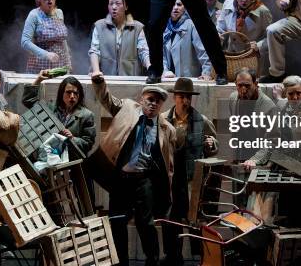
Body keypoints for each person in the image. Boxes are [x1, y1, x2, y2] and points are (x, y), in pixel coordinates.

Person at [91, 72, 175, 266]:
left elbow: (171, 156)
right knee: (117, 221)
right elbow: (107, 100)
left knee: (145, 223)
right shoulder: (128, 108)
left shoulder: (166, 128)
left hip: (144, 179)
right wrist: (99, 82)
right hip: (121, 177)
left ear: (162, 105)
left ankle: (152, 260)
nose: (153, 104)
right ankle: (121, 262)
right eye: (150, 99)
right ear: (141, 99)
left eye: (158, 102)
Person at [161, 78, 217, 264]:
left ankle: (198, 258)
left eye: (188, 98)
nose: (185, 101)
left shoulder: (202, 121)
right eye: (181, 97)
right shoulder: (163, 120)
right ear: (175, 97)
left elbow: (214, 147)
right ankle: (173, 257)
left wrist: (210, 145)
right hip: (171, 180)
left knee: (194, 220)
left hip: (191, 180)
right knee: (170, 220)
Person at [22, 72, 96, 160]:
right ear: (62, 93)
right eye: (68, 92)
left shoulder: (86, 115)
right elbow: (28, 101)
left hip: (71, 161)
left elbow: (88, 144)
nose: (72, 96)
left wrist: (72, 138)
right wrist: (39, 79)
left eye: (75, 93)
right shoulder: (51, 109)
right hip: (48, 158)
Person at [217, 0, 273, 77]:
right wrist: (218, 36)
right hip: (231, 58)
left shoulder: (262, 11)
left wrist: (259, 45)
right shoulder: (227, 4)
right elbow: (220, 28)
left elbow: (271, 38)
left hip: (251, 58)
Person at [89, 0, 150, 76]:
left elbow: (143, 52)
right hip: (106, 78)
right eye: (111, 4)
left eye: (118, 3)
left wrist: (150, 68)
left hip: (131, 79)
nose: (114, 7)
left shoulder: (137, 28)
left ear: (126, 6)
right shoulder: (99, 26)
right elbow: (94, 50)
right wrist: (96, 71)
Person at [21, 0, 72, 74]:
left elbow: (62, 40)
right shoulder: (34, 15)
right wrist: (46, 54)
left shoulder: (59, 13)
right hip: (40, 65)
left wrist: (68, 61)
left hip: (60, 63)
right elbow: (25, 42)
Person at [162, 0, 212, 80]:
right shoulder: (165, 27)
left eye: (179, 5)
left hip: (189, 79)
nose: (175, 8)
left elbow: (203, 51)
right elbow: (162, 55)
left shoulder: (192, 25)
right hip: (169, 78)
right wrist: (164, 71)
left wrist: (206, 73)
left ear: (184, 7)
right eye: (172, 4)